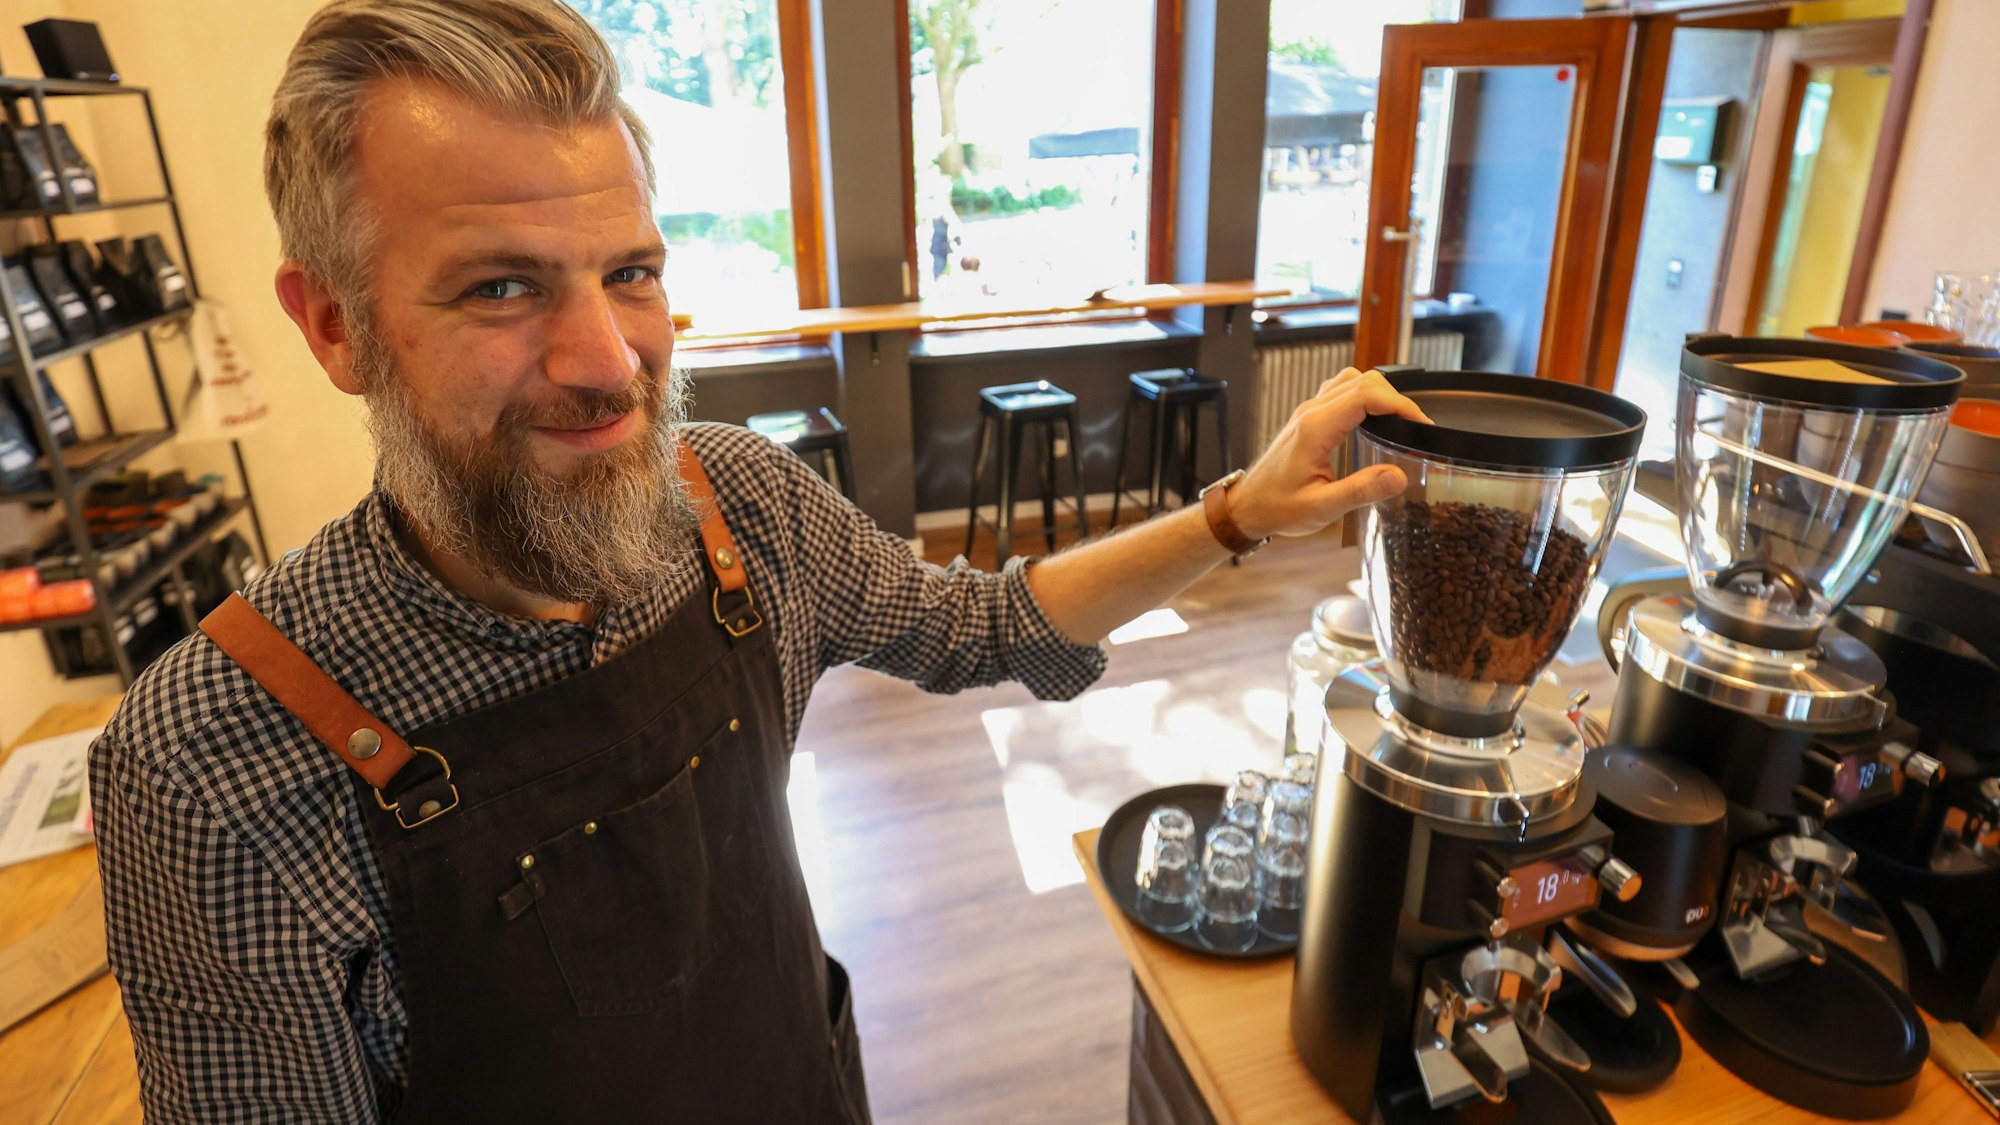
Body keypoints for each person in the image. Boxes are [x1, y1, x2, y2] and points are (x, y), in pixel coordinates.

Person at [87, 1, 1429, 1122]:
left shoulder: (736, 505)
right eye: (500, 286)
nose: (609, 363)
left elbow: (987, 625)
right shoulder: (210, 767)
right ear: (332, 324)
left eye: (629, 271)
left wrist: (1238, 513)